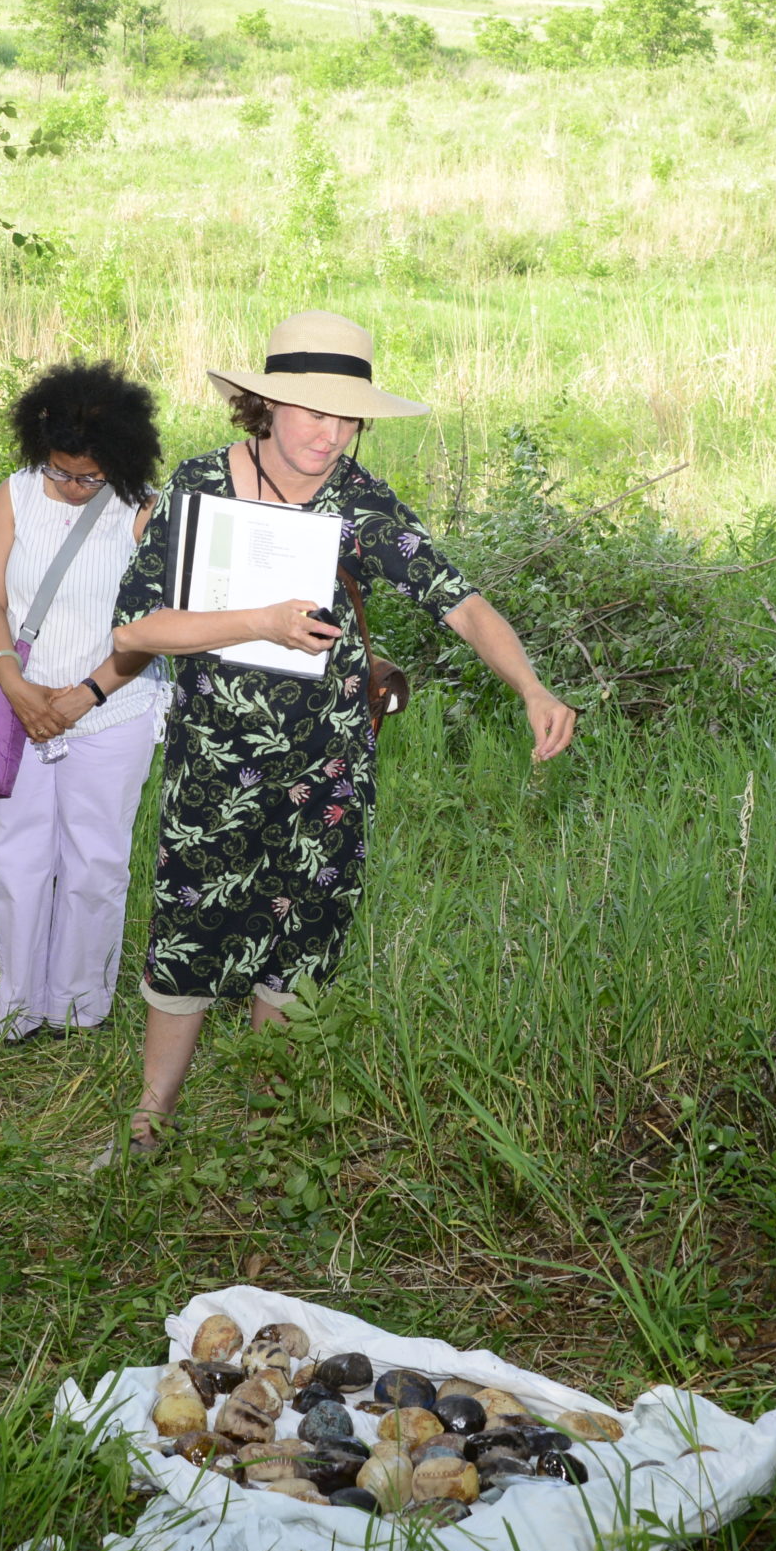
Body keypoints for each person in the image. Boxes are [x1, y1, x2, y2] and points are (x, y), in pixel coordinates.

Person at [100, 311, 577, 1162]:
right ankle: (147, 1128)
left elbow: (456, 599)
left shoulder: (359, 499)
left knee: (298, 941)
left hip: (329, 773)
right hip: (216, 773)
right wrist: (262, 622)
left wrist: (532, 684)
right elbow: (135, 631)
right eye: (314, 412)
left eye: (348, 416)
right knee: (189, 937)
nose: (331, 434)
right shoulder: (200, 487)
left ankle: (263, 1133)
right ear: (266, 406)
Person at [0, 362, 166, 1042]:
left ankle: (81, 1011)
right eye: (60, 471)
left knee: (97, 865)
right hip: (17, 707)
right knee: (15, 862)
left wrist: (85, 695)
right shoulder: (18, 494)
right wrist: (15, 684)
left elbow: (158, 622)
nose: (73, 487)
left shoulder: (143, 510)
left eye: (88, 476)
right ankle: (19, 1008)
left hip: (113, 709)